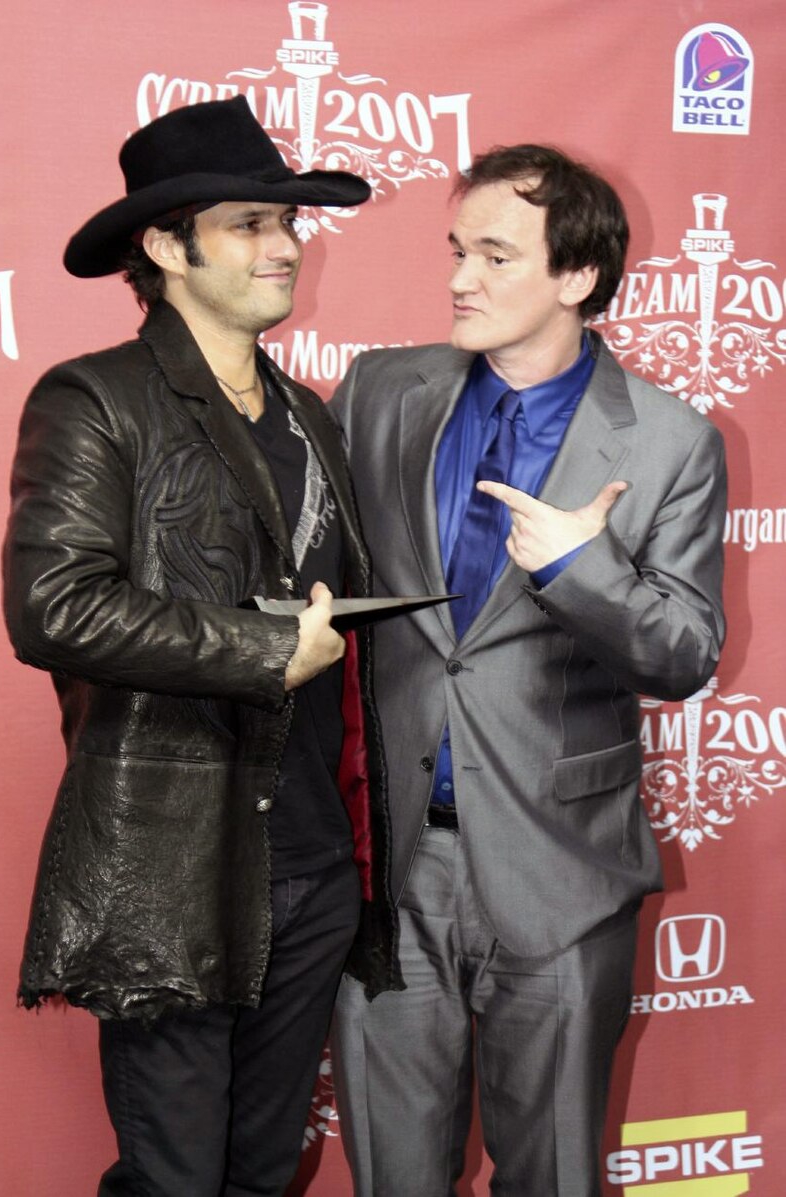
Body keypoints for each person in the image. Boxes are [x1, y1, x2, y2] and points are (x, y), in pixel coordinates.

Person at [2, 95, 402, 1197]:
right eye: (249, 225)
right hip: (172, 867)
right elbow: (53, 607)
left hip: (312, 866)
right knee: (175, 1180)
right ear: (168, 247)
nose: (286, 246)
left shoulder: (309, 414)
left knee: (261, 1173)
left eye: (289, 223)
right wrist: (262, 650)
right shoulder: (94, 399)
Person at [329, 144, 726, 1195]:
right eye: (457, 250)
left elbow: (686, 654)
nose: (460, 278)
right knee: (392, 1177)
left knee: (551, 1175)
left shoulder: (672, 442)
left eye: (496, 256)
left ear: (577, 275)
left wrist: (578, 570)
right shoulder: (379, 391)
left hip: (562, 875)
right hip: (388, 870)